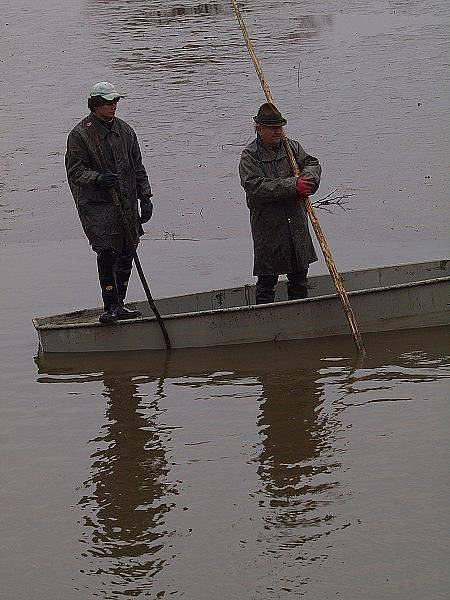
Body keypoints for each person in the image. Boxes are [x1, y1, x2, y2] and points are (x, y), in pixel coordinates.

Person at [65, 81, 154, 323]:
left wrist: (145, 196)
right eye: (107, 102)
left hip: (126, 203)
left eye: (115, 101)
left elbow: (138, 167)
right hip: (97, 206)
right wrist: (97, 178)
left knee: (128, 251)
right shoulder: (80, 134)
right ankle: (110, 307)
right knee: (107, 251)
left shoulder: (125, 131)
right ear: (95, 105)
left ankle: (120, 304)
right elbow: (75, 171)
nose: (113, 106)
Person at [239, 103, 322, 304]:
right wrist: (293, 185)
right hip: (268, 229)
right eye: (272, 127)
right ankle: (264, 324)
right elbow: (255, 187)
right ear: (259, 128)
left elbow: (312, 164)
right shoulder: (250, 156)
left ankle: (300, 319)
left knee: (299, 281)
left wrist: (308, 181)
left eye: (280, 127)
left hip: (296, 226)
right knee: (267, 283)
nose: (277, 131)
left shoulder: (292, 147)